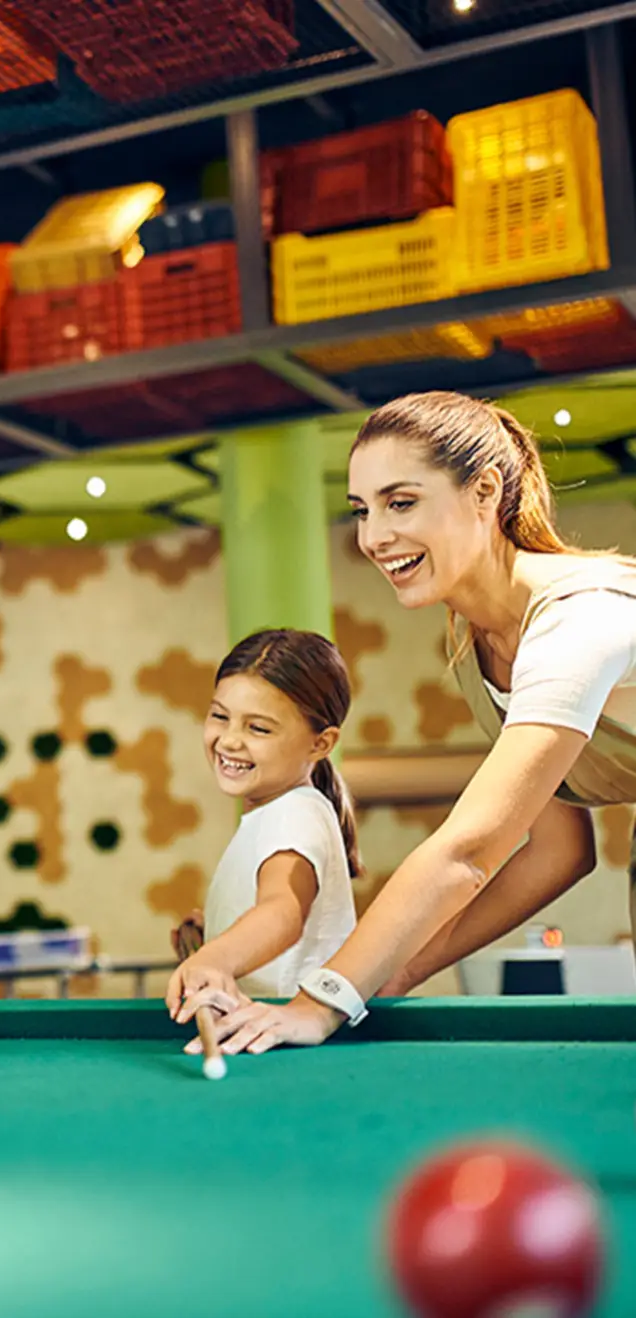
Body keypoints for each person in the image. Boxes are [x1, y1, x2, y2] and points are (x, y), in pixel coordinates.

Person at [194, 390, 622, 1054]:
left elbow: (469, 849)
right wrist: (397, 973)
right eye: (362, 510)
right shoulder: (472, 642)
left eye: (401, 503)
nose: (372, 537)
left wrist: (320, 1002)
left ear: (484, 492)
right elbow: (559, 850)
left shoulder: (579, 621)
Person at [166, 629, 359, 1027]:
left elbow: (284, 911)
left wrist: (215, 957)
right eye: (220, 716)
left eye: (258, 729)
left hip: (286, 1048)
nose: (230, 740)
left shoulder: (294, 814)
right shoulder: (283, 811)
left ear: (321, 744)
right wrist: (215, 931)